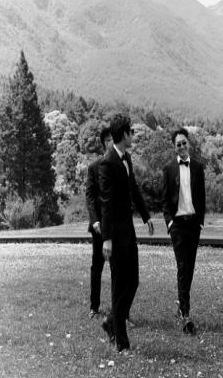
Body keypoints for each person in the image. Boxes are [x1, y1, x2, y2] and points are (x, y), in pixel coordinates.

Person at [99, 114, 154, 353]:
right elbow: (106, 204)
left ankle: (112, 320)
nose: (133, 135)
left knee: (133, 281)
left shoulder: (127, 158)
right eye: (131, 131)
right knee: (119, 283)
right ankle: (121, 340)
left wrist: (146, 216)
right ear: (123, 134)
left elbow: (134, 190)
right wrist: (107, 239)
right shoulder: (107, 162)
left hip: (128, 231)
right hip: (114, 235)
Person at [163, 128, 206, 335]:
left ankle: (181, 305)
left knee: (190, 267)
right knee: (182, 266)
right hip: (178, 225)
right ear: (175, 147)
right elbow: (164, 199)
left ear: (188, 144)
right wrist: (170, 223)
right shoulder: (169, 168)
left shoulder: (197, 167)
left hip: (193, 224)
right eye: (178, 144)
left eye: (184, 143)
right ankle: (186, 314)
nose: (181, 146)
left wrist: (201, 222)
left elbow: (202, 196)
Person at [86, 126, 112, 319]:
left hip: (115, 226)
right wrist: (94, 220)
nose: (111, 142)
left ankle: (120, 310)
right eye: (108, 139)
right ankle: (94, 307)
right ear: (104, 143)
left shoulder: (121, 165)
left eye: (114, 138)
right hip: (99, 227)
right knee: (97, 267)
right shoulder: (94, 167)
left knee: (118, 269)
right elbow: (90, 197)